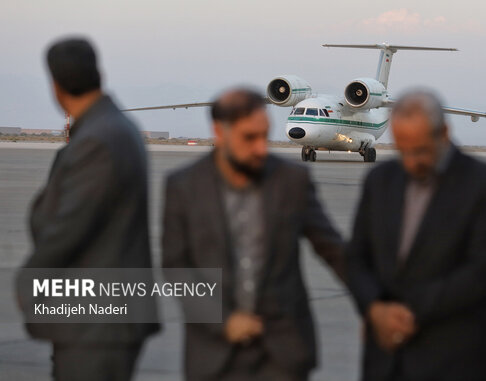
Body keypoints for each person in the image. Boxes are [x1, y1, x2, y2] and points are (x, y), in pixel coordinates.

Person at [161, 88, 344, 381]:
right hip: (213, 355)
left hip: (283, 355)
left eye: (264, 135)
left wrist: (377, 303)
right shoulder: (183, 187)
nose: (262, 148)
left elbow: (333, 249)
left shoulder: (290, 180)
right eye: (250, 138)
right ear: (219, 132)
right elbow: (176, 266)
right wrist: (223, 319)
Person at [346, 89, 486, 381]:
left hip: (452, 358)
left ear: (444, 133)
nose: (411, 161)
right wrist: (374, 308)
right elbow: (357, 257)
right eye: (403, 149)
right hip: (384, 359)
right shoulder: (381, 180)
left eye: (421, 150)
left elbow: (482, 273)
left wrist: (404, 313)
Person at [17, 38, 159, 380]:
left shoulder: (98, 138)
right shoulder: (115, 128)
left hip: (97, 321)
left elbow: (68, 226)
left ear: (56, 85)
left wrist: (27, 282)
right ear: (99, 74)